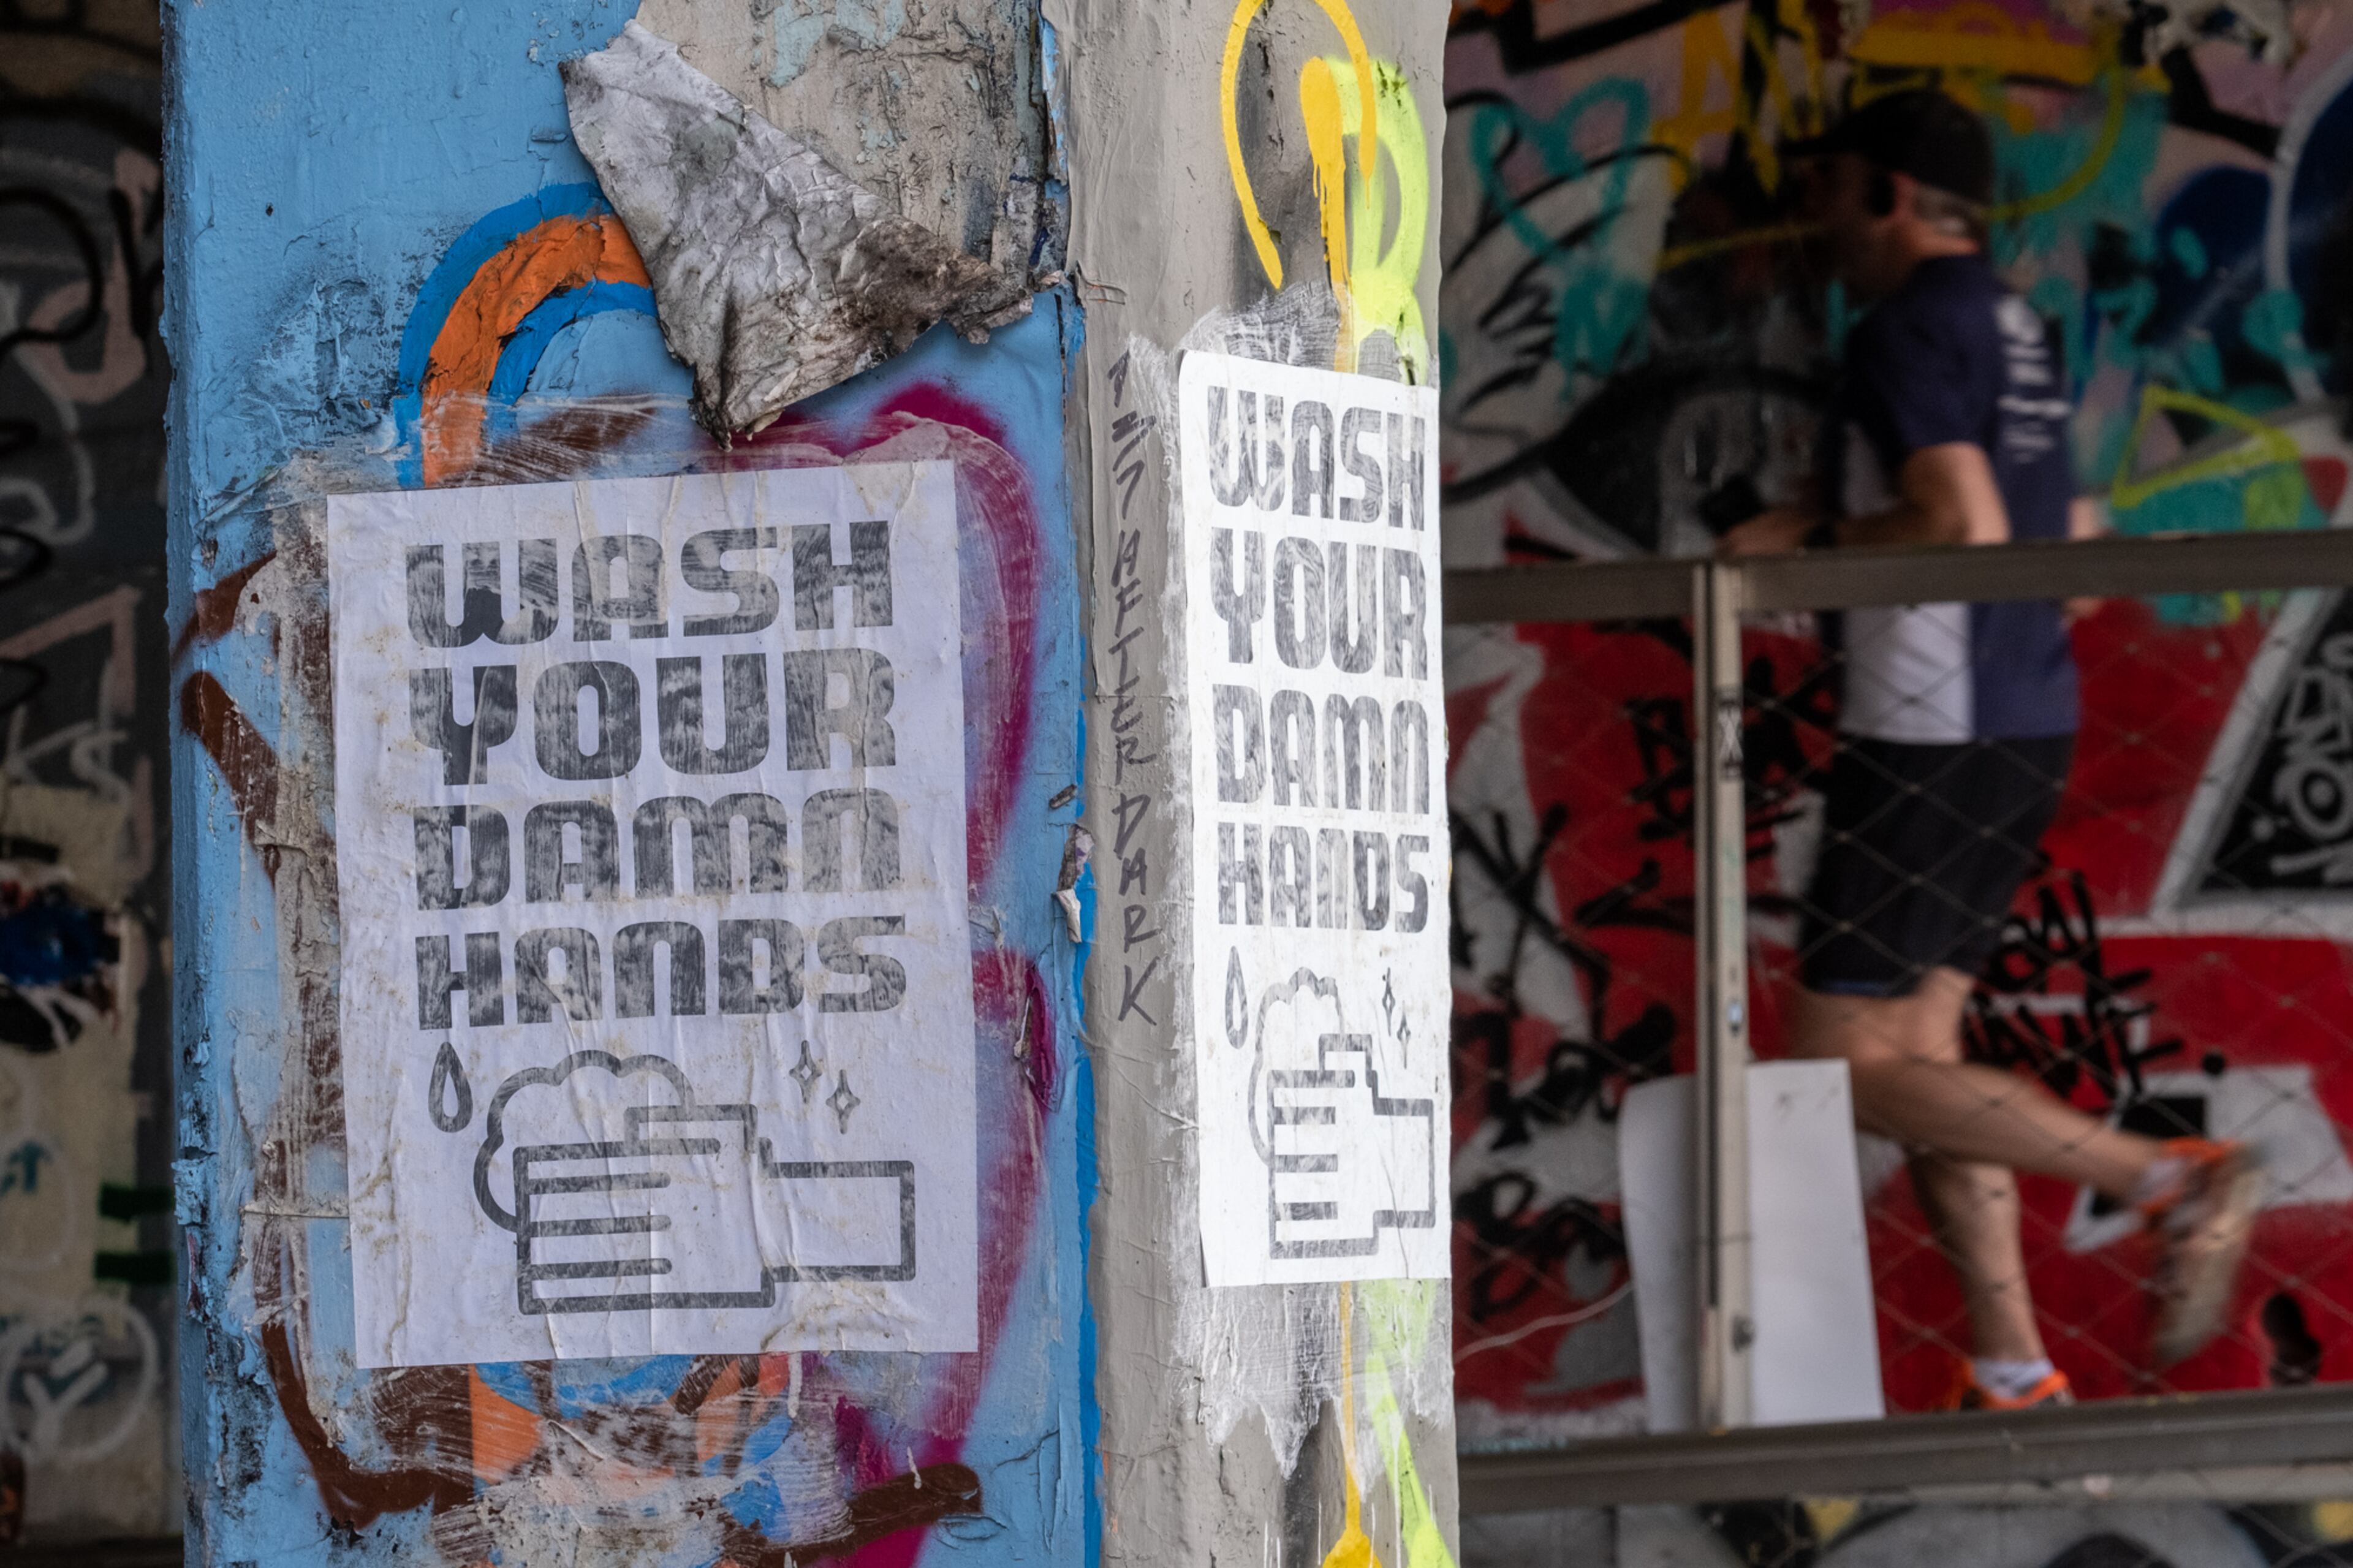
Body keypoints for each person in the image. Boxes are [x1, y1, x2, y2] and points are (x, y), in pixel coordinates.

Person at [1718, 89, 2262, 1407]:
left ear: (1893, 195)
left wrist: (1798, 555)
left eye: (1837, 184)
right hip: (2021, 716)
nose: (1823, 214)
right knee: (1922, 1057)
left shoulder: (1904, 328)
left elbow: (1954, 518)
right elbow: (2061, 540)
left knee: (1843, 1062)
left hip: (1931, 722)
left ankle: (2161, 1175)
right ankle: (2016, 1368)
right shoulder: (2016, 327)